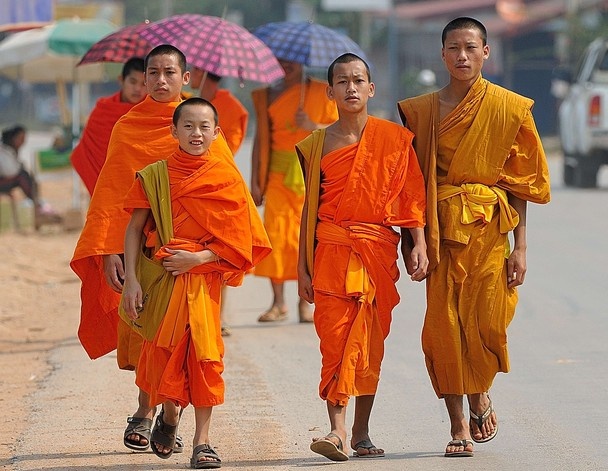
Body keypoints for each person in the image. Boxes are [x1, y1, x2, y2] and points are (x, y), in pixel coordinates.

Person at [397, 17, 551, 458]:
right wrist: (416, 242)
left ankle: (479, 390)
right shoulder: (419, 111)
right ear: (442, 55)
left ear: (486, 52)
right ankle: (458, 424)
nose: (462, 56)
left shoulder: (510, 108)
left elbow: (521, 184)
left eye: (470, 48)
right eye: (453, 48)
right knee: (444, 327)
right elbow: (409, 182)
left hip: (489, 232)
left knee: (488, 322)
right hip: (440, 231)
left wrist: (520, 246)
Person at [121, 97, 271, 468]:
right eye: (187, 126)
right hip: (167, 282)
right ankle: (170, 416)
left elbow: (241, 241)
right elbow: (135, 229)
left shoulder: (225, 178)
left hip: (204, 283)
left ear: (217, 133)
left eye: (205, 126)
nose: (196, 133)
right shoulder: (155, 175)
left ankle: (202, 443)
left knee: (204, 359)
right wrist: (131, 283)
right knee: (166, 356)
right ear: (173, 131)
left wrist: (201, 258)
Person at [296, 53, 428, 461]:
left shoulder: (394, 139)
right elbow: (310, 208)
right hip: (332, 252)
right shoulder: (314, 145)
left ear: (371, 88)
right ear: (330, 91)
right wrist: (302, 267)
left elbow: (409, 196)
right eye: (342, 81)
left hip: (375, 251)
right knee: (334, 343)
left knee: (369, 344)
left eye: (358, 80)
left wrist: (418, 242)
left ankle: (361, 432)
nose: (351, 87)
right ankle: (335, 431)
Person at [70, 44, 201, 454]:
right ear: (143, 79)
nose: (161, 81)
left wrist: (209, 251)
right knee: (147, 334)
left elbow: (221, 189)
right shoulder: (128, 127)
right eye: (153, 73)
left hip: (188, 252)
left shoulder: (199, 123)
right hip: (140, 251)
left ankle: (170, 415)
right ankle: (147, 408)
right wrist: (110, 250)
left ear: (186, 77)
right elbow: (112, 194)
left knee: (181, 336)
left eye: (169, 73)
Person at [251, 59, 338, 323]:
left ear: (303, 62)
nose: (284, 65)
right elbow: (260, 139)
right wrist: (256, 180)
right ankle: (278, 303)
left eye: (290, 60)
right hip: (277, 176)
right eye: (278, 60)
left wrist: (314, 125)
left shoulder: (322, 92)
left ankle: (305, 303)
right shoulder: (268, 94)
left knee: (308, 239)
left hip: (311, 175)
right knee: (275, 237)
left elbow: (343, 131)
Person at [190, 66, 249, 337]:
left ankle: (219, 315)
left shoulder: (231, 107)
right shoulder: (186, 104)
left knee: (220, 251)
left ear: (205, 75)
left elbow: (231, 145)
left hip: (217, 184)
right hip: (187, 184)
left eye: (196, 71)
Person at [70, 57, 146, 196]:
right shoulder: (104, 110)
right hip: (102, 182)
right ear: (121, 80)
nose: (138, 89)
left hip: (137, 188)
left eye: (143, 84)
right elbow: (88, 148)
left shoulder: (149, 112)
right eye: (133, 82)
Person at [0, 124, 62, 228]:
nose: (23, 141)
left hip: (7, 180)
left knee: (27, 177)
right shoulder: (4, 151)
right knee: (23, 176)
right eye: (21, 138)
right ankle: (37, 203)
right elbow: (10, 172)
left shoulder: (11, 150)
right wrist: (21, 167)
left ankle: (37, 202)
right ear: (13, 138)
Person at [189, 67, 248, 156]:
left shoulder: (231, 108)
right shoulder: (187, 104)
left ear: (200, 71)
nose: (189, 73)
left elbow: (229, 150)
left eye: (192, 68)